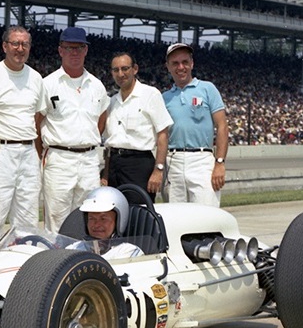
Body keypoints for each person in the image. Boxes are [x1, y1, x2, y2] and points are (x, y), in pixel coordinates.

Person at [0, 25, 47, 254]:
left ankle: (24, 269)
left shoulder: (35, 78)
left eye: (25, 44)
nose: (20, 49)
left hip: (28, 153)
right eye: (15, 43)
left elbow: (37, 117)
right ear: (5, 46)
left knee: (27, 224)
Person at [37, 26, 108, 233]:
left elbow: (101, 120)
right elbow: (36, 122)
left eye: (79, 47)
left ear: (86, 50)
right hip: (59, 159)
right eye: (69, 48)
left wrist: (83, 140)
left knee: (88, 217)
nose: (74, 52)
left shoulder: (96, 85)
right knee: (57, 221)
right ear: (61, 50)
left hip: (89, 160)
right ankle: (56, 255)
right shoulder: (48, 84)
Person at [161, 43, 229, 206]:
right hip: (173, 161)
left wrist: (220, 162)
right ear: (168, 67)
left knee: (206, 213)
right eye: (175, 63)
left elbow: (222, 126)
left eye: (185, 62)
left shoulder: (207, 89)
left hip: (202, 159)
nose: (181, 67)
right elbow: (161, 135)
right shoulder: (164, 97)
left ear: (192, 64)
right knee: (176, 214)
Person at [103, 52, 172, 198]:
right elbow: (109, 144)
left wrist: (158, 169)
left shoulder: (150, 94)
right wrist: (106, 174)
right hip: (114, 165)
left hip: (139, 165)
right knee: (115, 209)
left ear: (135, 69)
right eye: (116, 70)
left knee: (139, 209)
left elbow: (163, 134)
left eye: (125, 68)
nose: (120, 74)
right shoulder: (112, 102)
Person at [68, 186, 143, 259]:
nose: (96, 225)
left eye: (103, 219)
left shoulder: (128, 252)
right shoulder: (74, 249)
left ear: (118, 222)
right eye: (92, 218)